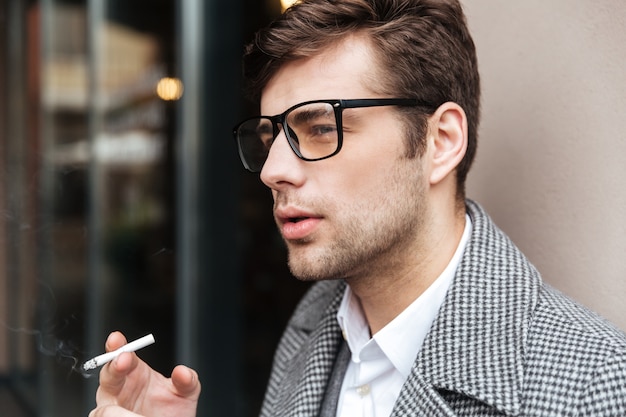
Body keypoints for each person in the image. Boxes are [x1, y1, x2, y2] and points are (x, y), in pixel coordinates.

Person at [88, 0, 626, 416]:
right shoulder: (314, 322)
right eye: (272, 136)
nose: (275, 170)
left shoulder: (592, 385)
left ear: (440, 142)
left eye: (321, 127)